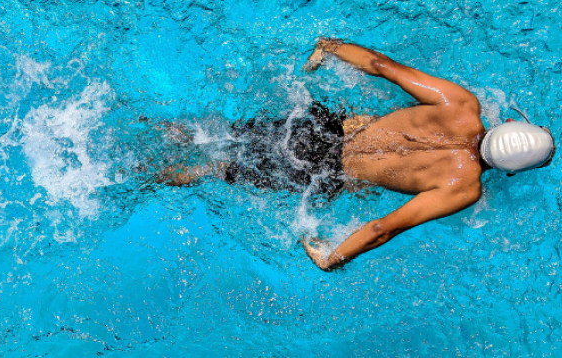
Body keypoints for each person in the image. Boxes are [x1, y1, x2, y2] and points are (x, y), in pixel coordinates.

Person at [156, 38, 555, 270]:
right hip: (323, 172)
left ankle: (157, 128)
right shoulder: (463, 187)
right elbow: (384, 227)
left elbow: (382, 66)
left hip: (319, 127)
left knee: (212, 134)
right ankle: (147, 176)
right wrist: (333, 257)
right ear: (511, 171)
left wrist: (330, 47)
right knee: (216, 169)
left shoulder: (461, 105)